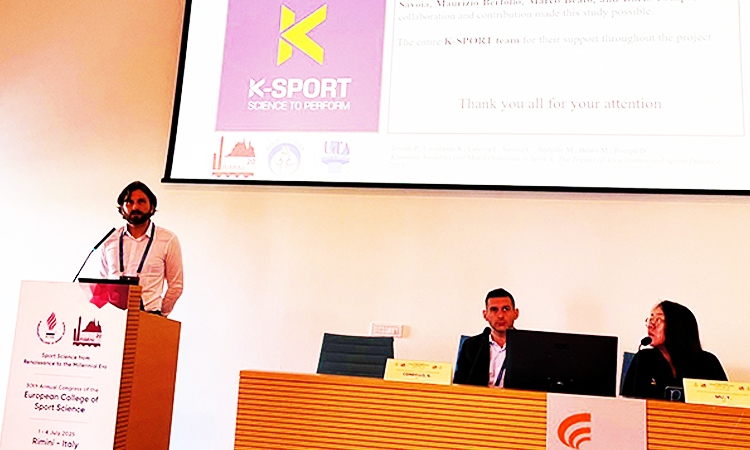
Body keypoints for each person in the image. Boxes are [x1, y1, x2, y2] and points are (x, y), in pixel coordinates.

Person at [100, 181, 183, 316]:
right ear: (121, 208)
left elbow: (176, 286)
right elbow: (102, 283)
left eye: (141, 202)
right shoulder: (110, 240)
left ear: (152, 207)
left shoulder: (168, 240)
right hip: (113, 316)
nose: (135, 207)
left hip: (150, 315)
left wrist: (160, 315)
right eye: (129, 202)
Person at [622, 300, 726, 400]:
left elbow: (726, 402)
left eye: (658, 320)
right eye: (650, 319)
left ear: (676, 326)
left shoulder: (708, 363)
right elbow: (628, 404)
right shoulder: (644, 359)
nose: (650, 325)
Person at [453, 288, 519, 387]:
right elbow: (459, 384)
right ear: (485, 315)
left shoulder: (528, 347)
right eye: (494, 310)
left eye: (506, 309)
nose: (500, 315)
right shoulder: (471, 346)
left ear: (516, 313)